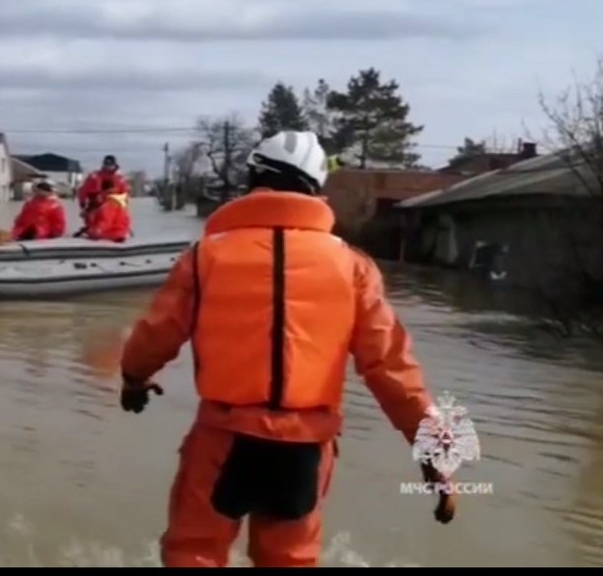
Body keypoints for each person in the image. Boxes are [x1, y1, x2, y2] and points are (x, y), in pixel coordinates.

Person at [117, 130, 454, 568]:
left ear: (254, 178)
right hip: (304, 448)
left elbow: (156, 333)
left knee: (193, 554)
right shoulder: (352, 265)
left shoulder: (205, 256)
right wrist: (433, 451)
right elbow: (390, 366)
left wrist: (134, 378)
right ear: (315, 189)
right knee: (291, 561)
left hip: (224, 439)